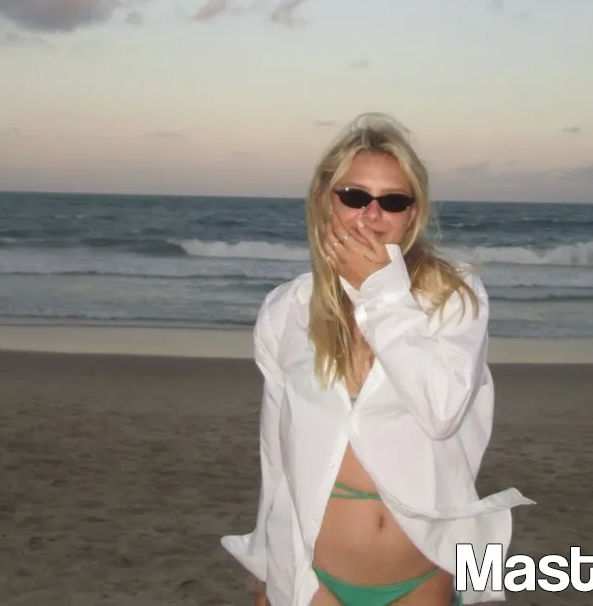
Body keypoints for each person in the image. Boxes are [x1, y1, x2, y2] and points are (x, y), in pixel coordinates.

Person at [221, 113, 533, 605]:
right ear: (324, 199)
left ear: (412, 213)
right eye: (353, 196)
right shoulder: (286, 311)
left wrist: (378, 292)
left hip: (422, 576)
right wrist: (266, 571)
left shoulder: (452, 297)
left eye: (392, 201)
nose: (371, 215)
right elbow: (276, 457)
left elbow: (442, 411)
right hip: (316, 581)